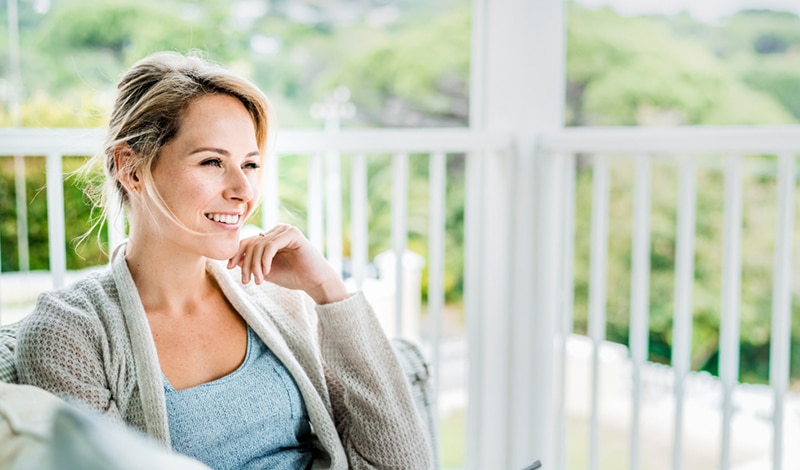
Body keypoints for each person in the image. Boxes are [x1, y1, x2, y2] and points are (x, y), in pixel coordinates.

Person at [15, 51, 432, 469]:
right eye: (212, 161)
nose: (243, 189)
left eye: (250, 164)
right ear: (131, 168)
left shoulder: (276, 293)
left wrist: (327, 291)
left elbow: (401, 462)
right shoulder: (70, 334)